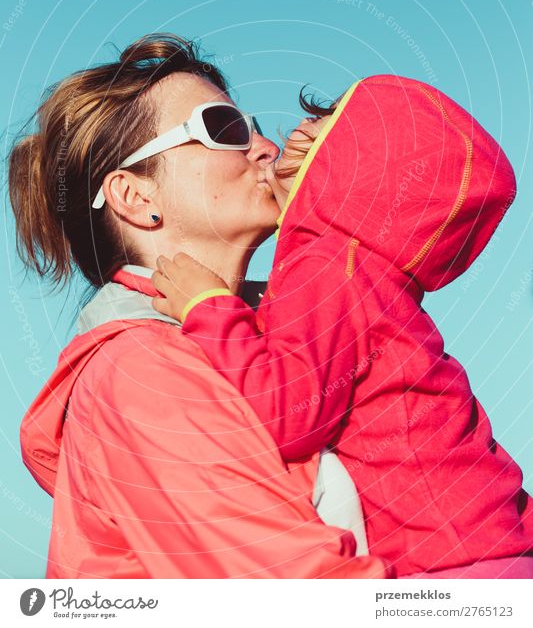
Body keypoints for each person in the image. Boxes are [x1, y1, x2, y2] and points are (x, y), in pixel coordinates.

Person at [9, 35, 390, 579]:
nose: (265, 147)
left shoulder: (292, 340)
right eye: (225, 130)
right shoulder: (141, 375)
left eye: (253, 127)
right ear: (136, 198)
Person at [151, 74, 533, 579]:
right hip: (484, 543)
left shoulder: (329, 267)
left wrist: (209, 308)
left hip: (453, 563)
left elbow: (292, 418)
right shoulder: (365, 272)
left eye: (322, 125)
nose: (293, 135)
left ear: (363, 164)